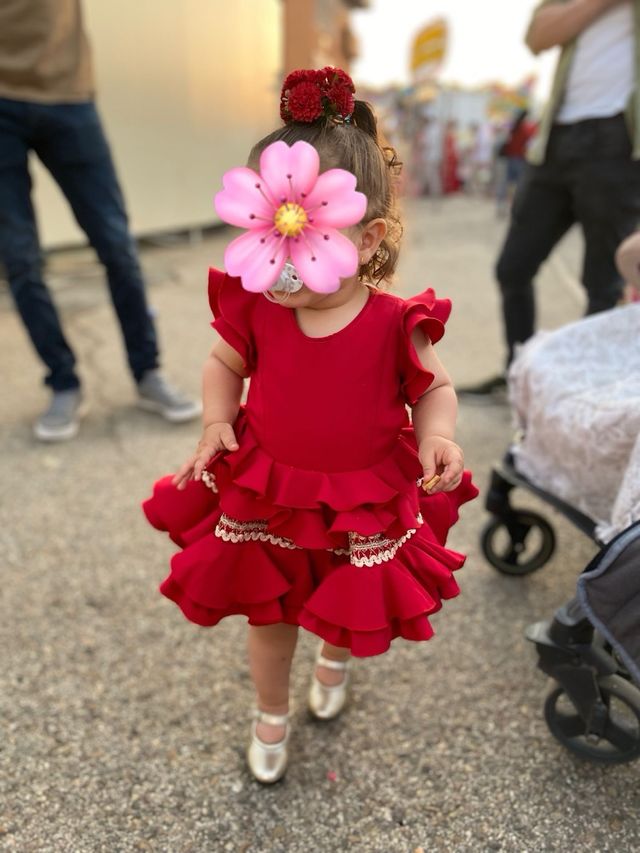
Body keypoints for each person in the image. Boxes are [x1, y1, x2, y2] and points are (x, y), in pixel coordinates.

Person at [143, 67, 478, 784]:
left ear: (368, 235)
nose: (282, 262)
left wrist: (437, 434)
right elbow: (221, 364)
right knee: (271, 610)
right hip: (271, 490)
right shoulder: (261, 307)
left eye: (306, 238)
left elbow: (436, 388)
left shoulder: (396, 321)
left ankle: (334, 658)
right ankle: (270, 712)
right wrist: (215, 416)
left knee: (346, 597)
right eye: (269, 234)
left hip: (362, 495)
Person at [0, 0, 201, 440]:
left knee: (116, 244)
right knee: (20, 259)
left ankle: (147, 372)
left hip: (69, 97)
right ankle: (64, 381)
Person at [460, 0, 640, 399]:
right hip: (557, 136)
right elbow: (538, 35)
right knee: (513, 267)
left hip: (619, 138)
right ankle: (519, 377)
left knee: (603, 284)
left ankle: (591, 394)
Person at [495, 109, 537, 216]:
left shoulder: (511, 127)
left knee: (506, 184)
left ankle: (503, 206)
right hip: (518, 159)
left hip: (509, 159)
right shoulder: (524, 128)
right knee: (519, 185)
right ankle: (515, 206)